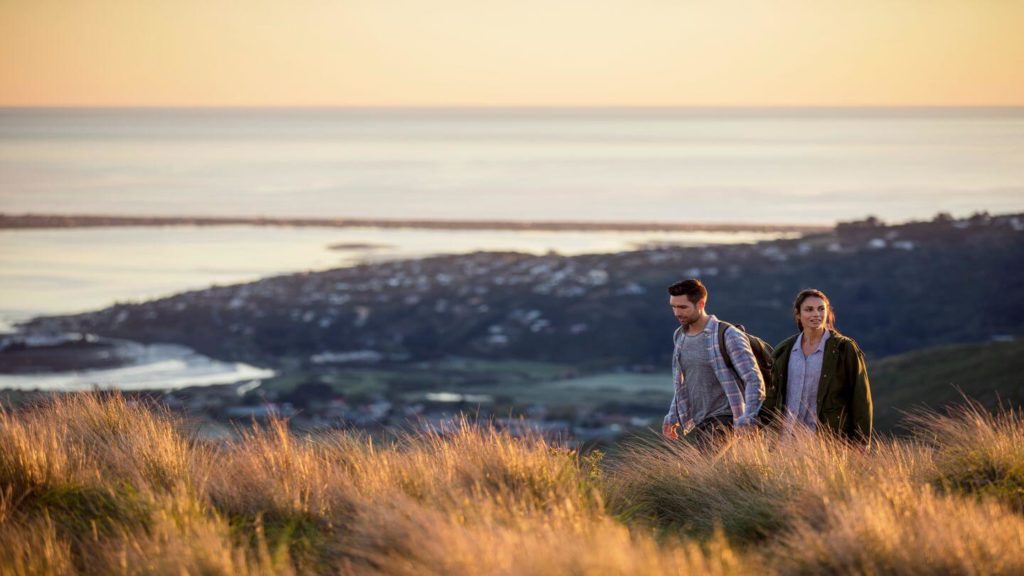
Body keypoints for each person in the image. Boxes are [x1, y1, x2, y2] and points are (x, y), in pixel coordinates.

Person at [760, 288, 873, 444]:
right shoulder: (784, 350)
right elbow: (771, 396)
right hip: (786, 440)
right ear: (798, 314)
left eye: (821, 309)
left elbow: (860, 396)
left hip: (827, 439)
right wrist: (756, 425)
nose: (816, 314)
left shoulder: (844, 348)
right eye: (809, 310)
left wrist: (862, 441)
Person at [662, 279, 766, 444]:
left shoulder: (727, 335)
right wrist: (673, 415)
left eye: (683, 307)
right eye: (673, 307)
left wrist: (748, 418)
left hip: (727, 419)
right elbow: (683, 383)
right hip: (700, 421)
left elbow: (753, 379)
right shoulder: (679, 336)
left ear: (701, 304)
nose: (677, 313)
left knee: (704, 468)